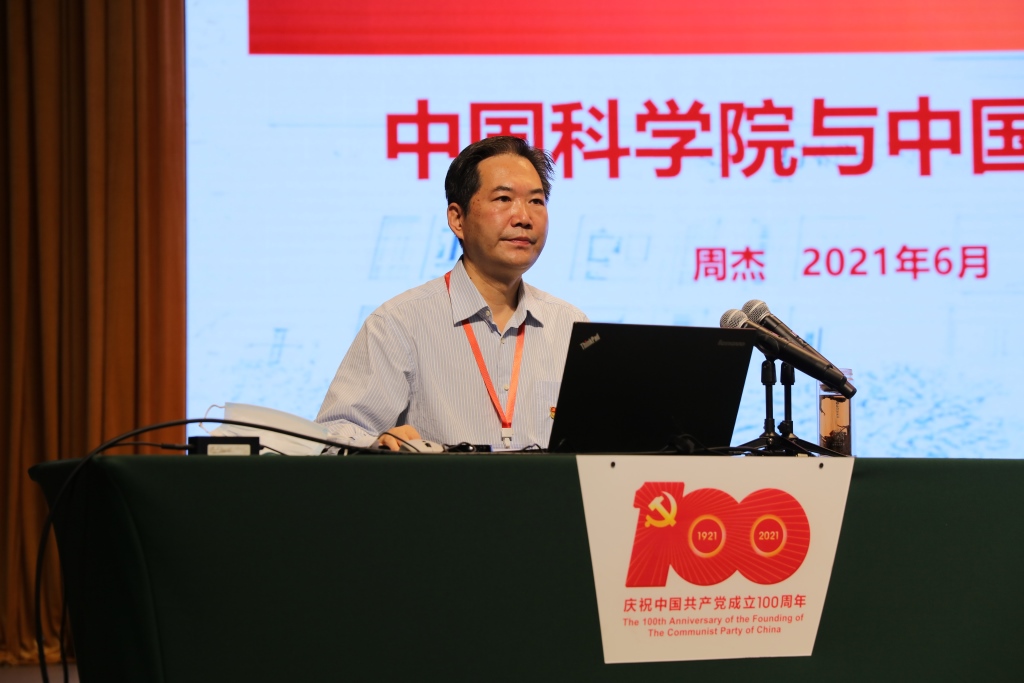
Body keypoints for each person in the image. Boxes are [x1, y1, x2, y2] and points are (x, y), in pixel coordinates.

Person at [316, 136, 587, 450]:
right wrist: (379, 445)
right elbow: (333, 437)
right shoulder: (400, 323)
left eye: (536, 201)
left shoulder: (570, 326)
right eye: (503, 199)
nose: (523, 218)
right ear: (458, 219)